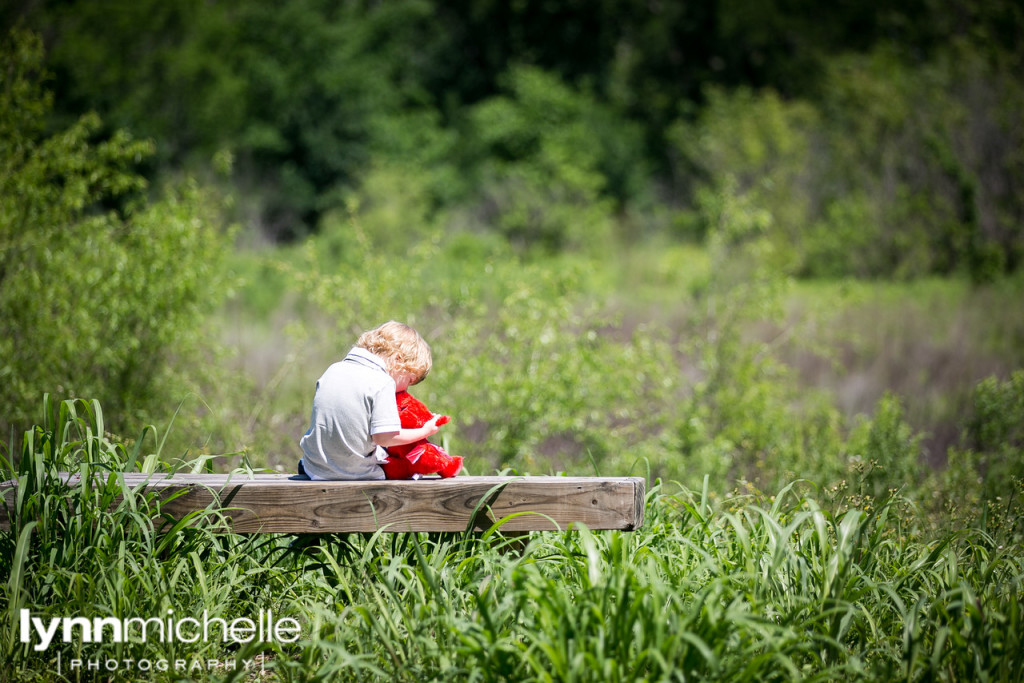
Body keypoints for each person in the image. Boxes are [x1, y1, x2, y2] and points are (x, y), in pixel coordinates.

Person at [295, 321, 445, 480]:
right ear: (398, 359)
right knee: (403, 467)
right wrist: (425, 431)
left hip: (314, 469)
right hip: (354, 473)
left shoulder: (333, 369)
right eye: (409, 380)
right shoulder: (382, 382)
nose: (406, 389)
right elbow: (384, 438)